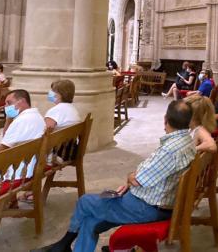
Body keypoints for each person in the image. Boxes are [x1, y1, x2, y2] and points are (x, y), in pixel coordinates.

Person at [34, 100, 196, 252]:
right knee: (90, 222)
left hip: (146, 208)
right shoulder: (187, 141)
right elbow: (151, 174)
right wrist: (132, 182)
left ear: (165, 119)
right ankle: (66, 247)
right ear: (188, 121)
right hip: (158, 202)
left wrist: (130, 177)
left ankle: (63, 245)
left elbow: (137, 180)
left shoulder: (169, 150)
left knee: (85, 202)